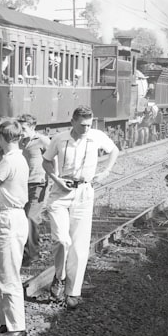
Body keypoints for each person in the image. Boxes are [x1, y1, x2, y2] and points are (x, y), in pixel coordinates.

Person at [42, 106, 119, 309]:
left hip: (84, 192)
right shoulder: (59, 138)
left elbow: (114, 150)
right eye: (83, 125)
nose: (86, 128)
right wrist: (56, 180)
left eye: (89, 124)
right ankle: (59, 276)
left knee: (79, 245)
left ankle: (72, 292)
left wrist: (106, 172)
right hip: (61, 192)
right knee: (61, 240)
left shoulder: (96, 136)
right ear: (73, 122)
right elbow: (46, 161)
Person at [0, 118, 29, 336]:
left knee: (7, 275)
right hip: (13, 216)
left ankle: (16, 326)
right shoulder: (20, 159)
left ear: (1, 138)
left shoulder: (7, 162)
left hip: (7, 218)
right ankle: (6, 322)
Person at [17, 113, 51, 266]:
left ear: (32, 127)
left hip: (38, 184)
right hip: (22, 185)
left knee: (31, 218)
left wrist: (53, 180)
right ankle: (24, 252)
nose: (21, 131)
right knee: (22, 219)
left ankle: (33, 255)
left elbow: (53, 159)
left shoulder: (43, 141)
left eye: (23, 128)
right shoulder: (20, 142)